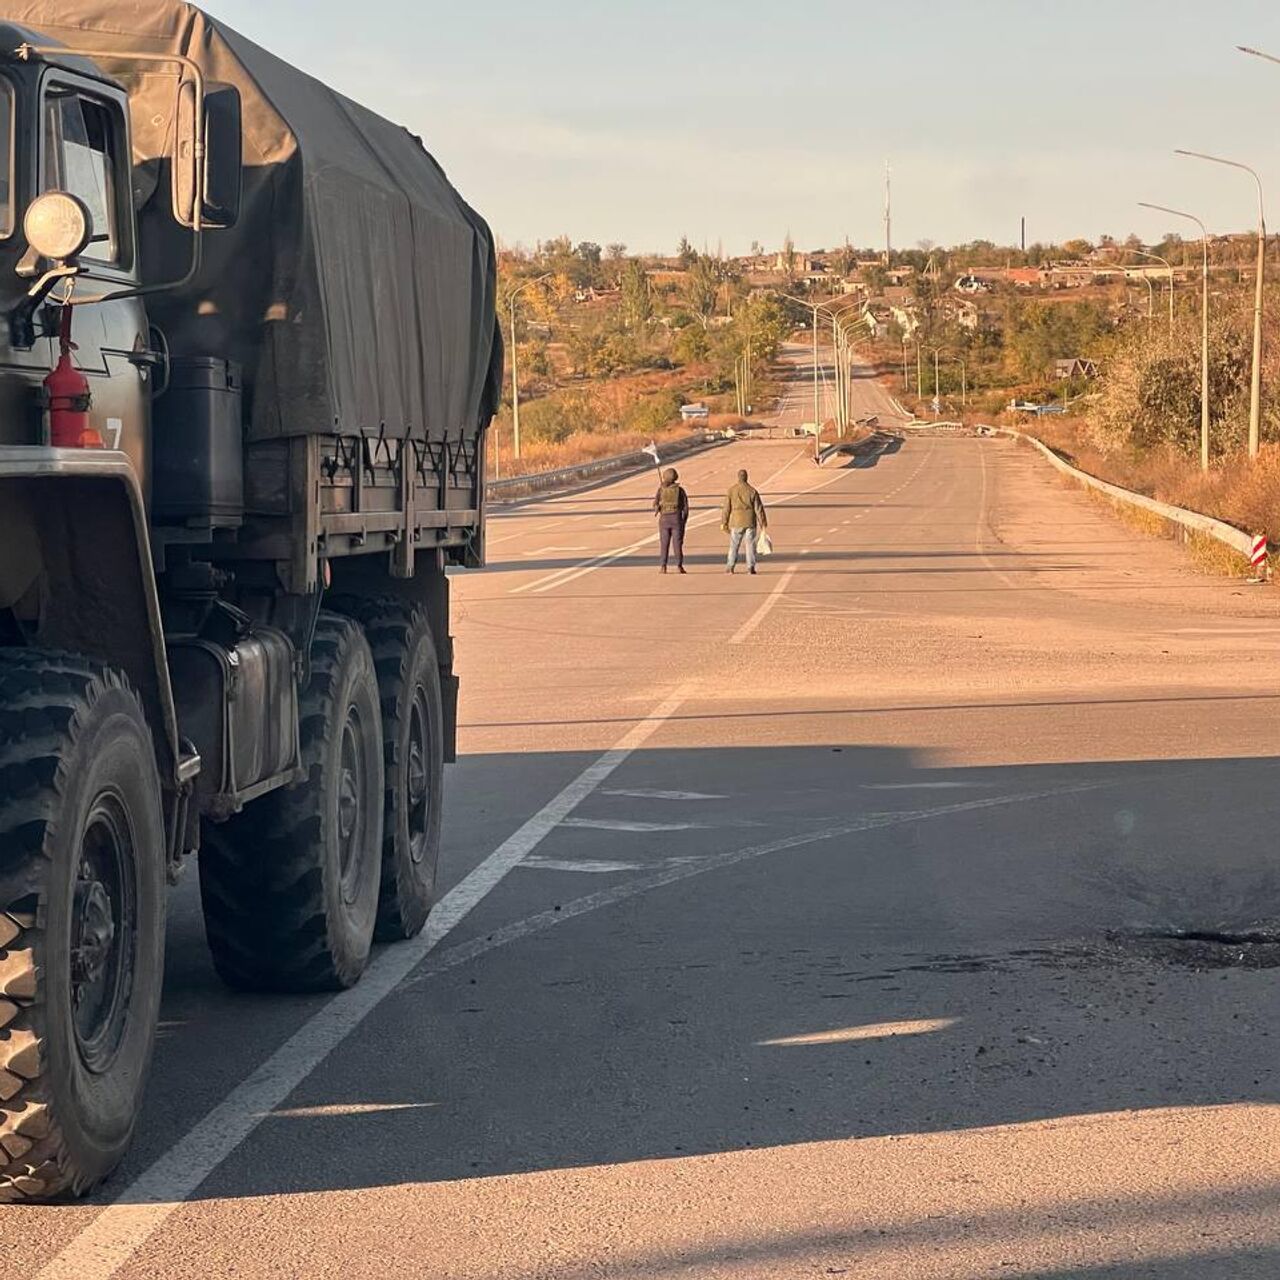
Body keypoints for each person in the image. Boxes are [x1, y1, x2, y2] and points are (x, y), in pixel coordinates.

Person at [721, 468, 768, 574]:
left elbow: (726, 508)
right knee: (750, 545)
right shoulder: (752, 491)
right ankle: (750, 567)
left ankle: (730, 566)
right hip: (750, 521)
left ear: (738, 478)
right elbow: (758, 508)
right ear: (747, 478)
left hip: (736, 521)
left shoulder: (731, 490)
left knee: (734, 545)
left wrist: (724, 522)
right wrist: (763, 523)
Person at [653, 467, 689, 574]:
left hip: (664, 519)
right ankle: (679, 566)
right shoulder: (680, 490)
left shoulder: (661, 490)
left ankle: (663, 567)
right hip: (676, 518)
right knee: (677, 544)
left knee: (664, 544)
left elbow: (655, 504)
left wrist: (658, 507)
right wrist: (683, 521)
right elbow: (685, 508)